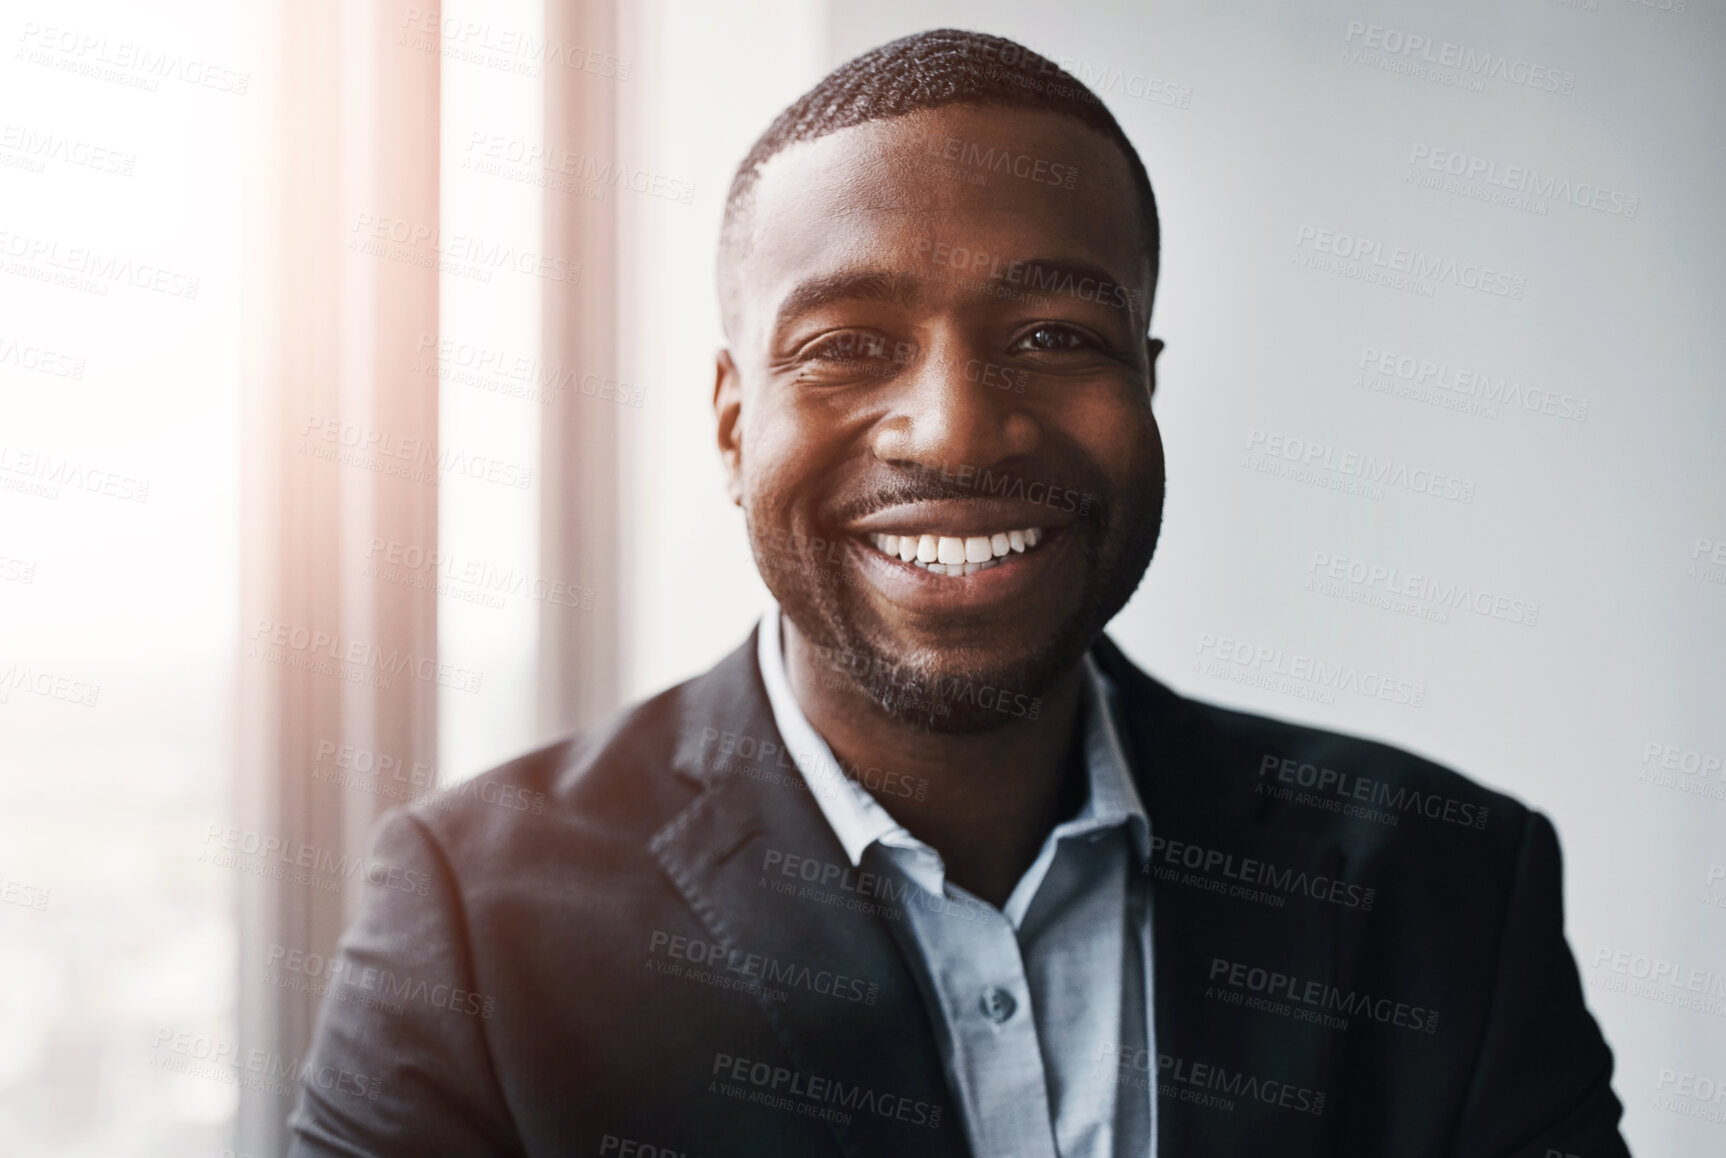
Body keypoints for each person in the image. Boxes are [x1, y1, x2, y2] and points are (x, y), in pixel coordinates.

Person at [289, 28, 1629, 1157]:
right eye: (848, 344)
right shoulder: (469, 917)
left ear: (1145, 384)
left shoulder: (1446, 879)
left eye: (1054, 337)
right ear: (727, 422)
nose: (953, 429)